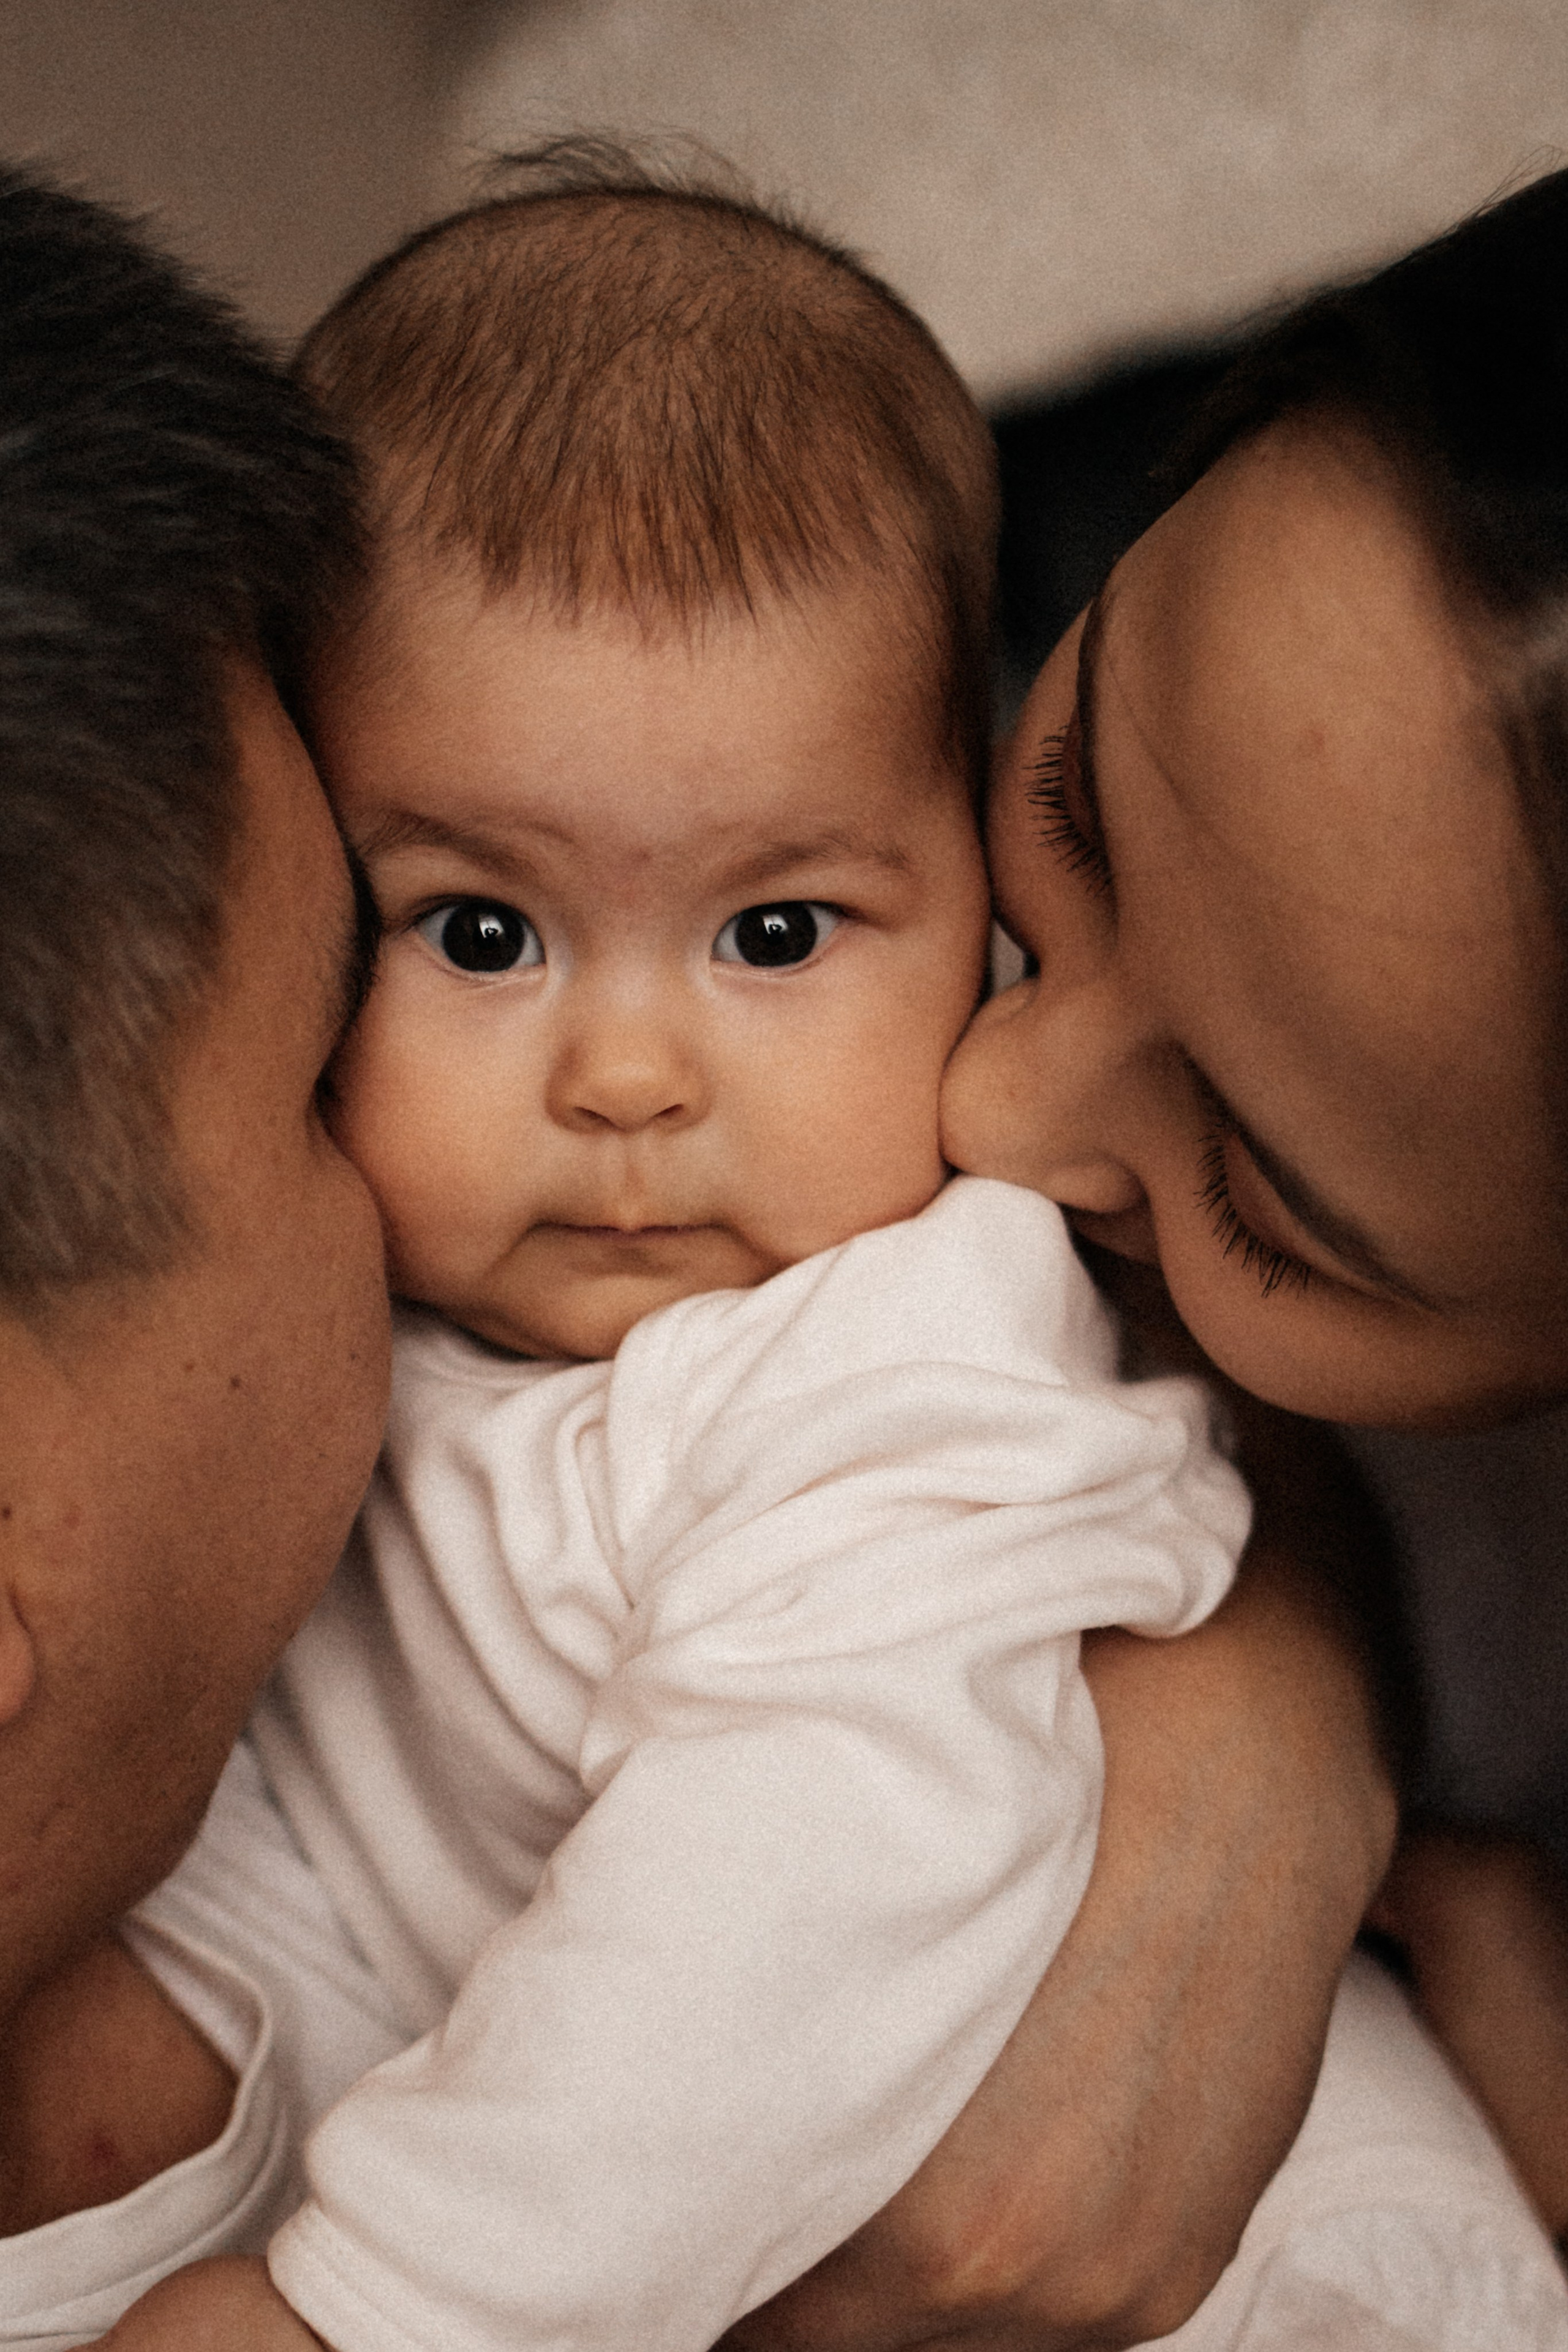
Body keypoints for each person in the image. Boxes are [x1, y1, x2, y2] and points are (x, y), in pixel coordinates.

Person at [107, 166, 1568, 2352]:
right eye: (1064, 809)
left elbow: (802, 1870)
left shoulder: (895, 1352)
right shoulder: (811, 586)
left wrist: (369, 2311)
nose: (992, 1118)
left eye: (1263, 1193)